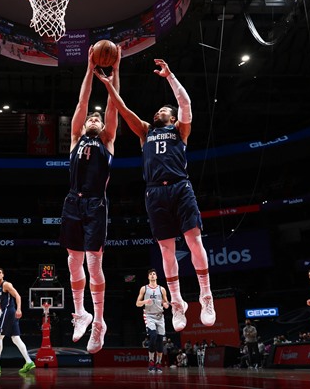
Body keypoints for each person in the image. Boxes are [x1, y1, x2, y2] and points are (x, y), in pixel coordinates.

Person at [94, 59, 216, 331]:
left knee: (194, 242)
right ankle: (176, 302)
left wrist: (170, 76)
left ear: (171, 118)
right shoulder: (145, 131)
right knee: (166, 249)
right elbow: (124, 110)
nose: (158, 111)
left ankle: (206, 295)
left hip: (179, 186)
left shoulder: (180, 130)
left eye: (163, 110)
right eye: (159, 109)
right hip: (154, 193)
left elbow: (185, 104)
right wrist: (107, 84)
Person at [60, 44, 119, 354]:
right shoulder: (75, 138)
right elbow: (84, 100)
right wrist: (87, 68)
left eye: (98, 120)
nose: (95, 120)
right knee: (73, 262)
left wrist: (115, 71)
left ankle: (99, 321)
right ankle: (80, 312)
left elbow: (111, 106)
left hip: (96, 204)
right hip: (72, 202)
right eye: (91, 120)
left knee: (94, 265)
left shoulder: (107, 141)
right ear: (82, 127)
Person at [0, 268, 35, 374]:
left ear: (3, 275)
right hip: (9, 312)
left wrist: (19, 308)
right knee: (16, 338)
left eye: (0, 273)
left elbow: (17, 296)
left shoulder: (6, 285)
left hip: (9, 312)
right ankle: (29, 362)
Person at [135, 268, 170, 373]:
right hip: (149, 315)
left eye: (154, 274)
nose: (152, 275)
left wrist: (165, 304)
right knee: (153, 336)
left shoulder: (162, 289)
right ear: (148, 277)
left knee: (160, 342)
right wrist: (145, 301)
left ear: (156, 276)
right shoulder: (144, 288)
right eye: (150, 274)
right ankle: (151, 361)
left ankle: (158, 363)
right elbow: (137, 303)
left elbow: (166, 305)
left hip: (160, 316)